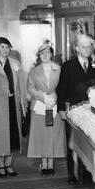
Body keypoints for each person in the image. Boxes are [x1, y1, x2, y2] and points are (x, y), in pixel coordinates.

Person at [57, 34, 95, 184]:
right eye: (83, 46)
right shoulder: (68, 65)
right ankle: (72, 174)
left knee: (88, 142)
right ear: (76, 48)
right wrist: (61, 108)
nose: (87, 49)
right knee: (72, 141)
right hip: (72, 110)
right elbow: (62, 88)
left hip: (90, 111)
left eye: (89, 46)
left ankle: (86, 172)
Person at [0, 37, 27, 178]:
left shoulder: (15, 63)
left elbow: (20, 85)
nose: (5, 50)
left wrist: (23, 105)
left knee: (13, 136)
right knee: (0, 137)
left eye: (7, 47)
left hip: (13, 105)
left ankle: (9, 164)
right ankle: (1, 165)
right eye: (2, 47)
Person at [27, 41, 66, 176]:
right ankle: (44, 163)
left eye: (47, 53)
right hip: (39, 106)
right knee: (42, 135)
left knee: (52, 134)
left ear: (51, 54)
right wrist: (43, 97)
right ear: (39, 56)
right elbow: (30, 88)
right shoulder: (34, 71)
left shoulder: (59, 69)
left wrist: (54, 98)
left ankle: (51, 163)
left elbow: (62, 87)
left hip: (54, 106)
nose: (45, 55)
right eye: (41, 54)